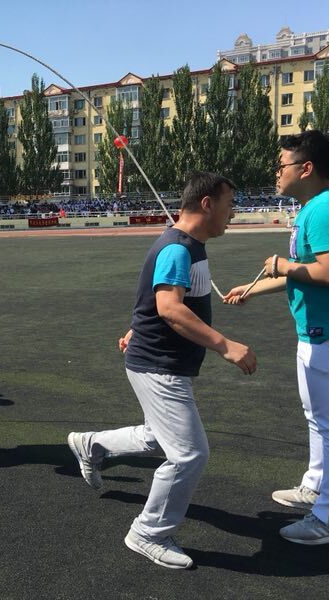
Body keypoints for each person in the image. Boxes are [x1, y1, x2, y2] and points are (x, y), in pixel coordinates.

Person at [67, 173, 256, 569]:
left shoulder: (190, 246)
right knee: (189, 454)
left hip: (160, 361)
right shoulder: (177, 248)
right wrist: (226, 346)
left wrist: (136, 328)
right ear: (206, 204)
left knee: (160, 437)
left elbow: (157, 301)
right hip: (158, 366)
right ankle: (148, 532)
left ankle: (91, 445)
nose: (232, 214)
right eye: (228, 205)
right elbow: (169, 308)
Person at [224, 130, 329, 545]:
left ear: (305, 168)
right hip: (320, 332)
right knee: (319, 418)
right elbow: (309, 270)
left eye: (281, 165)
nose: (277, 173)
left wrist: (282, 265)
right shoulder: (315, 207)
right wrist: (254, 287)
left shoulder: (327, 209)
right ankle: (317, 486)